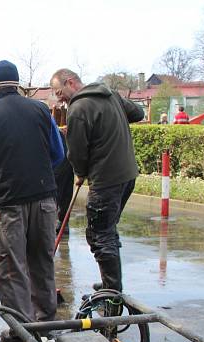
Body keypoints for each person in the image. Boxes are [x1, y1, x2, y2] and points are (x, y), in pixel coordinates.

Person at [0, 60, 64, 342]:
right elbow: (58, 154)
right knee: (42, 260)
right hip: (45, 199)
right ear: (17, 84)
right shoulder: (39, 109)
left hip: (9, 203)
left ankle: (22, 330)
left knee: (11, 268)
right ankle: (46, 323)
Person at [50, 68, 144, 296]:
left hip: (106, 179)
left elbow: (77, 151)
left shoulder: (79, 108)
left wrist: (80, 172)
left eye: (58, 91)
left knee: (99, 235)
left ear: (70, 82)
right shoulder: (110, 94)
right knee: (108, 230)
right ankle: (111, 283)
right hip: (127, 175)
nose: (58, 97)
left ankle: (112, 292)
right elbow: (138, 113)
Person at [54, 128, 75, 237]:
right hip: (65, 159)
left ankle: (61, 223)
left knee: (56, 195)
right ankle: (63, 223)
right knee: (64, 193)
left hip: (59, 162)